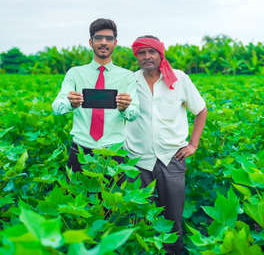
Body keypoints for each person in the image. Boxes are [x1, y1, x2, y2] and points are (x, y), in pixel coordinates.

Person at [125, 36, 207, 255]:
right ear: (137, 56)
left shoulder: (179, 79)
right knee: (139, 216)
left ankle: (172, 252)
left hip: (172, 158)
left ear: (161, 54)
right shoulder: (130, 81)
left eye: (151, 52)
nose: (146, 57)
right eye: (141, 53)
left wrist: (193, 144)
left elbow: (200, 110)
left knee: (172, 218)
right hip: (137, 159)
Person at [52, 18, 139, 173]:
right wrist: (70, 103)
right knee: (77, 195)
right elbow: (57, 107)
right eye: (98, 38)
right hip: (80, 150)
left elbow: (134, 114)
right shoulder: (75, 73)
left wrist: (125, 108)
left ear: (115, 43)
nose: (103, 42)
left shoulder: (127, 77)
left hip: (113, 151)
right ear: (91, 42)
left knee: (112, 197)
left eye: (109, 38)